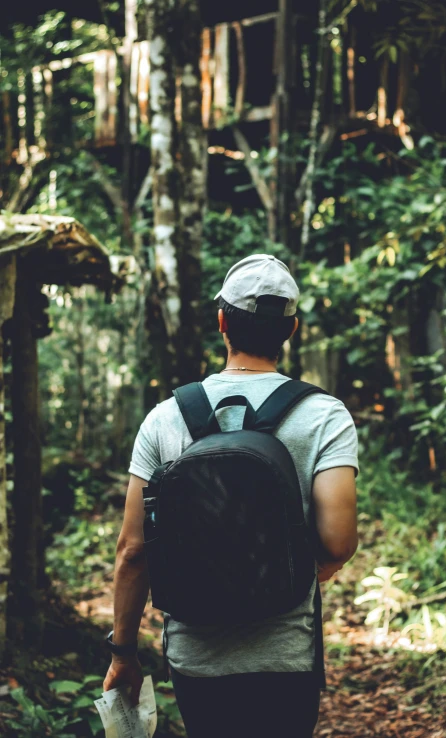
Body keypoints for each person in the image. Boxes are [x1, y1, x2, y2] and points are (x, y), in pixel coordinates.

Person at [103, 254, 359, 738]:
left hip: (196, 654)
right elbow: (340, 541)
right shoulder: (324, 415)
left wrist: (123, 653)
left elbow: (133, 551)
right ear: (291, 329)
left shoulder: (166, 418)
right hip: (285, 652)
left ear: (221, 321)